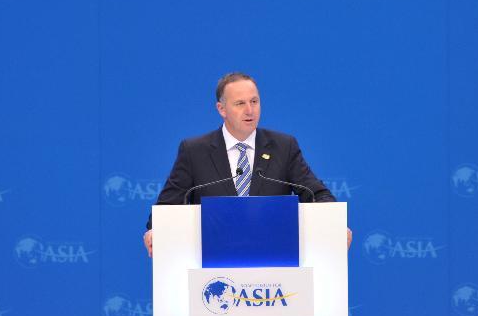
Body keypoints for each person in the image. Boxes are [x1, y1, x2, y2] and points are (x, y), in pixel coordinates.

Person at [143, 72, 352, 256]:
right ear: (221, 109)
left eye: (254, 101)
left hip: (274, 259)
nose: (250, 110)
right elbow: (167, 206)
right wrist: (155, 231)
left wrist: (333, 224)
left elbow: (316, 194)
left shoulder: (283, 146)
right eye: (240, 103)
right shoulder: (195, 151)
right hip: (212, 260)